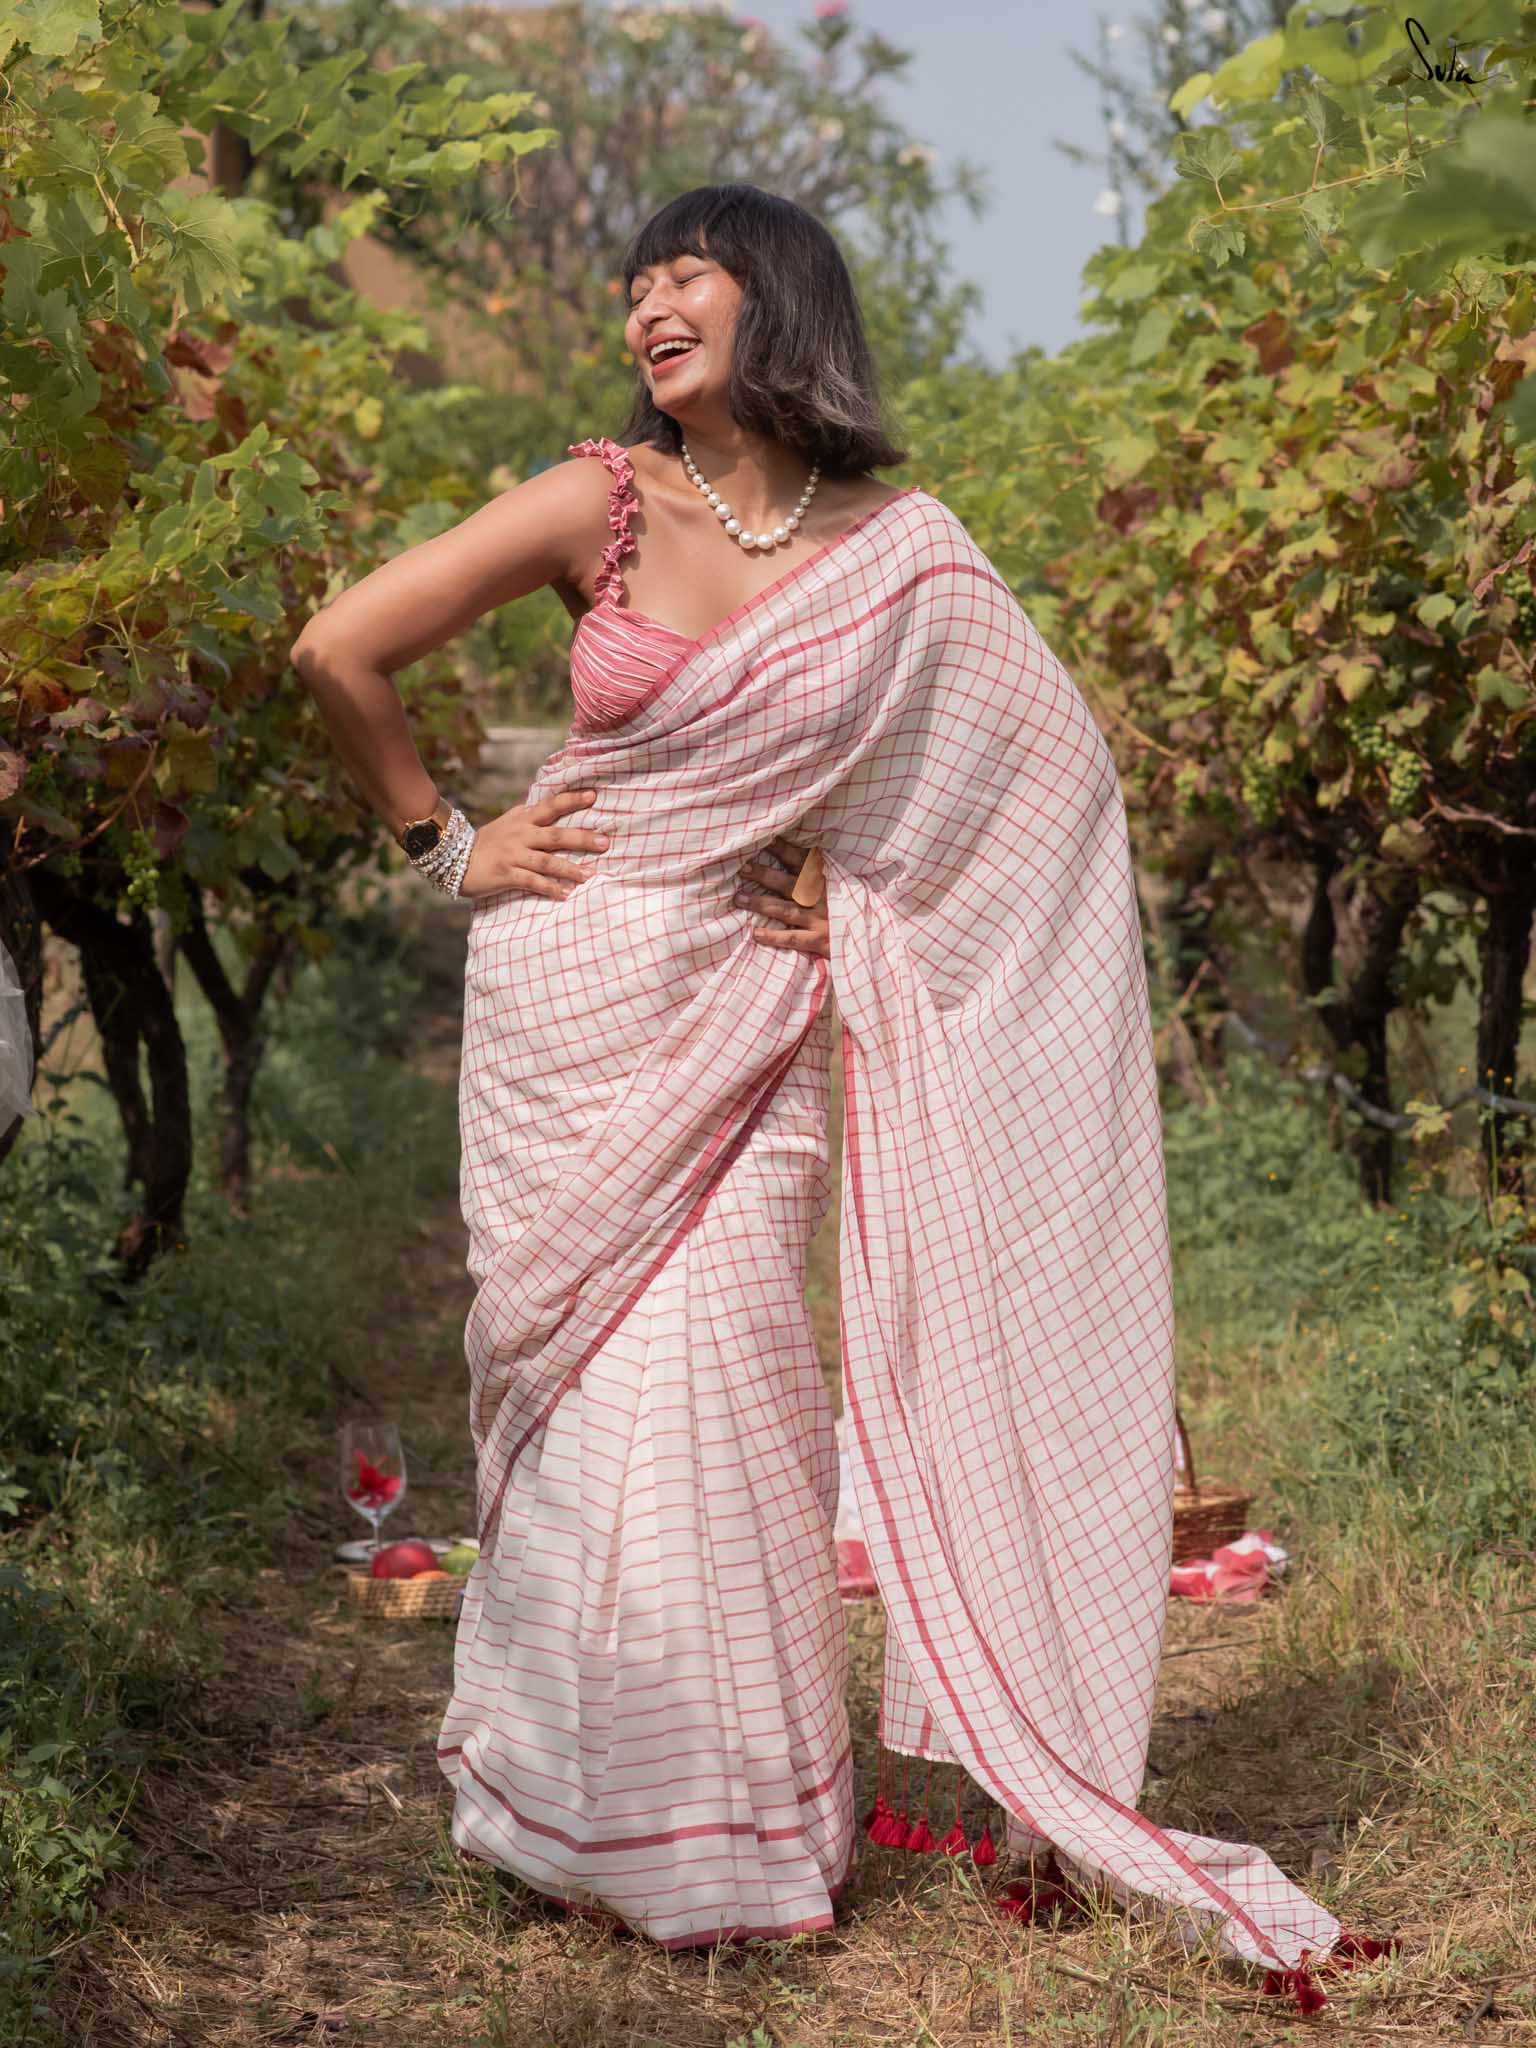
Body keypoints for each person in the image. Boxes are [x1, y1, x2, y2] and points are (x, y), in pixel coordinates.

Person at [291, 182, 1390, 2002]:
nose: (646, 307)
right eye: (632, 286)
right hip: (574, 1000)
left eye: (685, 275)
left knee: (728, 1379)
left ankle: (738, 1835)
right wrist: (447, 848)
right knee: (598, 1400)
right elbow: (338, 647)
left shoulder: (908, 552)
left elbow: (1051, 784)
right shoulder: (598, 499)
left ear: (781, 297)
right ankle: (582, 1816)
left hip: (756, 1000)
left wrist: (864, 893)